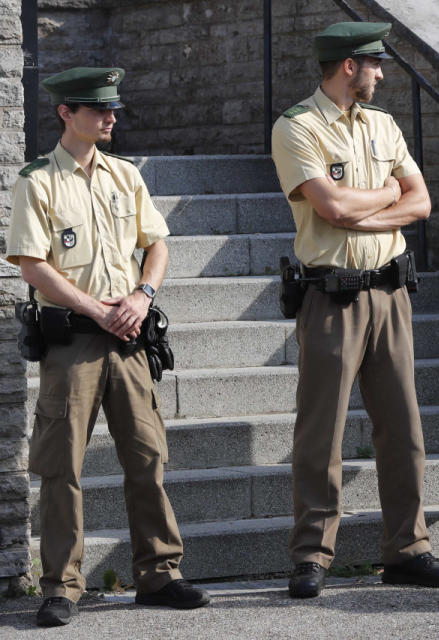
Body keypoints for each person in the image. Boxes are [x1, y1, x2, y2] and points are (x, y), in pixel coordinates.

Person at [6, 67, 210, 627]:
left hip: (131, 340)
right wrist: (95, 308)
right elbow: (31, 263)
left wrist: (143, 295)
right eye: (99, 109)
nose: (111, 117)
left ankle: (159, 574)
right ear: (65, 113)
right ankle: (62, 586)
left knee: (147, 456)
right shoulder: (38, 181)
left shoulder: (126, 176)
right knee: (62, 466)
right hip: (73, 342)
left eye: (112, 109)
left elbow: (158, 244)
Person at [270, 21, 439, 598]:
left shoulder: (383, 124)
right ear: (349, 65)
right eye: (374, 63)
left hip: (392, 293)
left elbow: (421, 201)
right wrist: (386, 198)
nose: (381, 73)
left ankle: (408, 549)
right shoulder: (297, 127)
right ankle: (311, 555)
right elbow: (329, 208)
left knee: (403, 427)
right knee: (320, 432)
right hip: (332, 295)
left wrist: (363, 209)